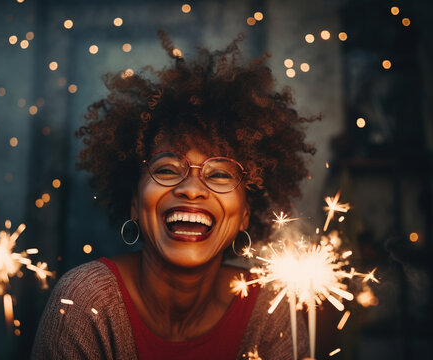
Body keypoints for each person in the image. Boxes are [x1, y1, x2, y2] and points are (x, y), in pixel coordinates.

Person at [32, 31, 318, 360]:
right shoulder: (84, 300)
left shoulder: (271, 307)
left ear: (245, 215)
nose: (192, 189)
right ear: (135, 204)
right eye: (167, 169)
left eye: (220, 174)